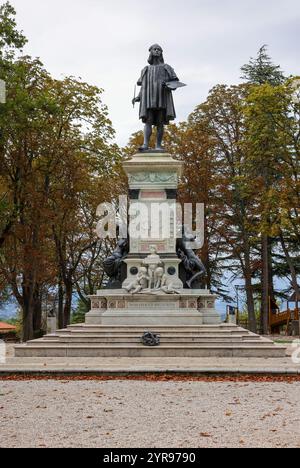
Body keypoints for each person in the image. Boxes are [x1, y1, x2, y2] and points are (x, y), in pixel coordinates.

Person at [132, 44, 179, 151]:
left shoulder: (167, 67)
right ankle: (145, 144)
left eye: (159, 50)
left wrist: (169, 85)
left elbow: (175, 83)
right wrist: (138, 97)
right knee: (148, 121)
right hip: (148, 99)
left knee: (160, 122)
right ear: (151, 52)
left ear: (161, 53)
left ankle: (158, 145)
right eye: (155, 49)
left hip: (162, 97)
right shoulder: (146, 69)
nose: (157, 51)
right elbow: (143, 86)